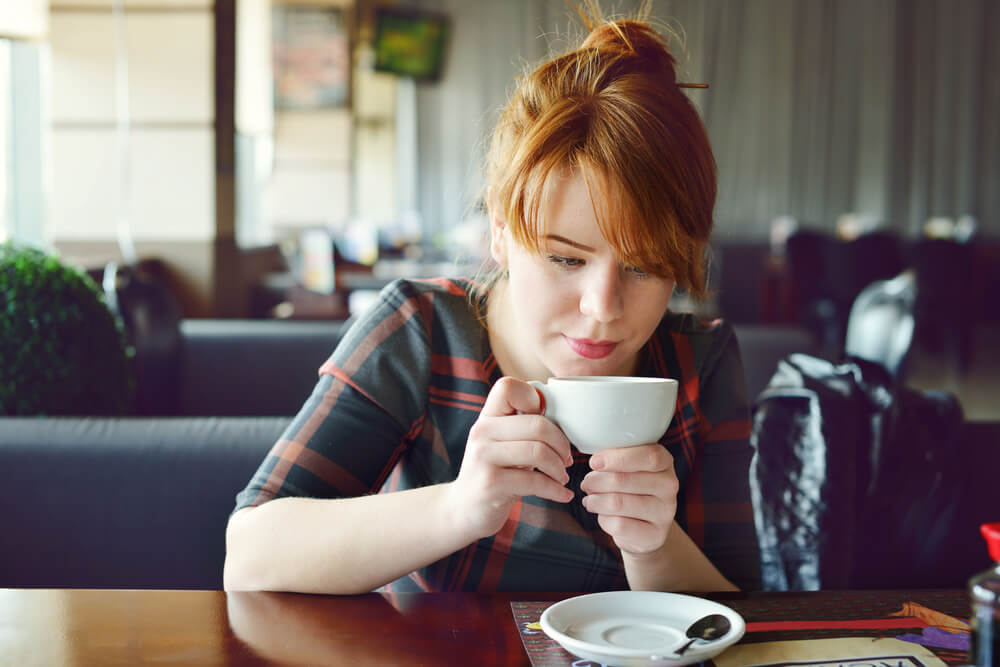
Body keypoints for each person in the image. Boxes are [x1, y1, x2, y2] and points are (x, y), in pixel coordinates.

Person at [224, 8, 760, 595]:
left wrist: (654, 546)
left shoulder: (700, 361)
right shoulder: (421, 330)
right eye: (566, 259)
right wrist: (460, 507)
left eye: (644, 267)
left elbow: (739, 611)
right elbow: (250, 556)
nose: (603, 307)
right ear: (501, 232)